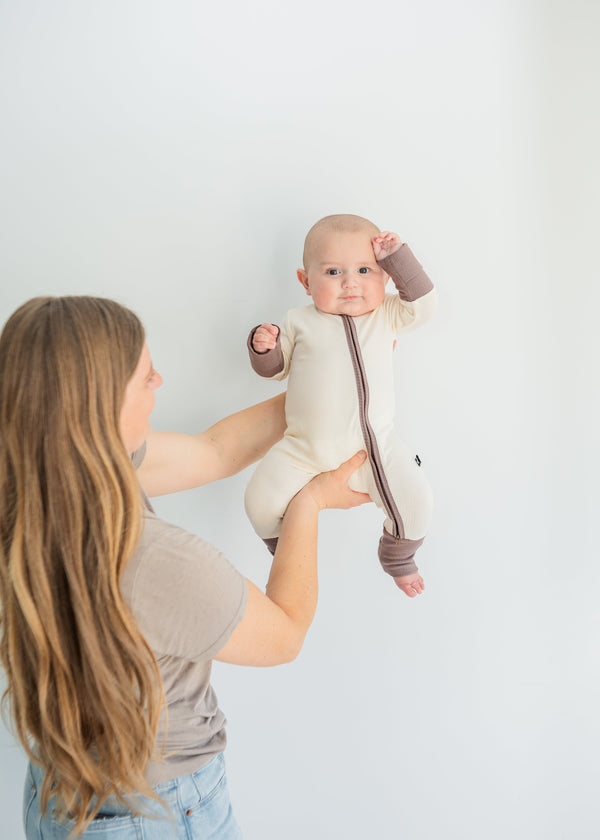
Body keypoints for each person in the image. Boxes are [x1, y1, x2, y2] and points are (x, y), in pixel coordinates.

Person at [0, 295, 370, 839]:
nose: (161, 383)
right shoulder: (151, 560)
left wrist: (323, 389)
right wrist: (308, 504)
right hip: (153, 813)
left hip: (60, 793)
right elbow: (285, 634)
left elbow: (216, 450)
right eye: (146, 378)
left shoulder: (32, 480)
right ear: (100, 406)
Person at [246, 214, 437, 597]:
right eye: (333, 272)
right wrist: (262, 347)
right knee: (258, 501)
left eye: (365, 269)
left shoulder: (386, 315)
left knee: (418, 505)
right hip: (302, 450)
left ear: (384, 278)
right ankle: (287, 550)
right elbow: (275, 370)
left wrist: (397, 257)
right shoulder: (298, 322)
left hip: (376, 450)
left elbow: (423, 305)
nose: (350, 282)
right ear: (305, 282)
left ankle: (397, 557)